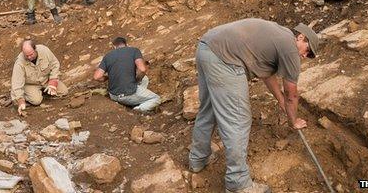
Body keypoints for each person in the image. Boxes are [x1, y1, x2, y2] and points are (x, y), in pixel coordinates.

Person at [188, 18, 319, 193]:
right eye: (307, 50)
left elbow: (267, 74)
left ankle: (198, 159)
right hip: (225, 58)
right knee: (238, 120)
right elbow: (292, 94)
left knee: (209, 109)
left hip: (207, 47)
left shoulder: (279, 36)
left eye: (308, 56)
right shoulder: (289, 48)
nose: (304, 56)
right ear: (301, 37)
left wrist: (280, 101)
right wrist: (293, 120)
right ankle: (238, 183)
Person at [93, 37, 160, 112]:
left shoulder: (107, 56)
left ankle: (136, 100)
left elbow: (97, 77)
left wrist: (108, 77)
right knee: (156, 98)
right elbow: (142, 69)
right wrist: (138, 79)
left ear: (114, 46)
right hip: (129, 94)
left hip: (114, 95)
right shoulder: (134, 51)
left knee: (145, 79)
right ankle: (137, 109)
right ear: (126, 44)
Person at [11, 39, 68, 115]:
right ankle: (28, 94)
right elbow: (17, 83)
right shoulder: (19, 63)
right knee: (36, 101)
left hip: (46, 80)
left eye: (31, 54)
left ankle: (46, 91)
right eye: (26, 55)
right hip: (31, 84)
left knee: (64, 91)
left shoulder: (44, 50)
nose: (29, 57)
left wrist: (53, 82)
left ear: (35, 49)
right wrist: (20, 101)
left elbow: (55, 64)